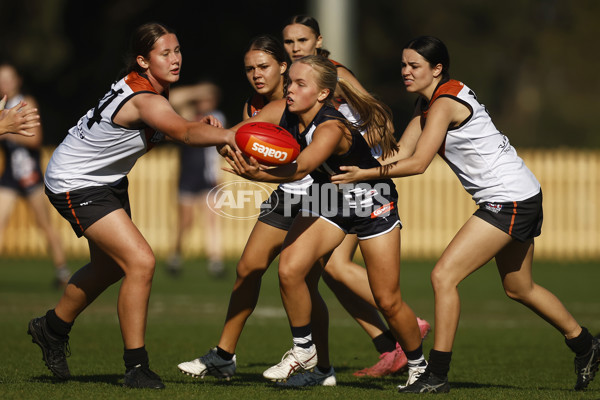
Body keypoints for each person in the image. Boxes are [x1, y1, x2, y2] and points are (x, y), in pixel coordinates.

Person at [331, 36, 600, 393]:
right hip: (518, 194)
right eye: (403, 64)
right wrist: (348, 165)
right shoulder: (426, 104)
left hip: (510, 199)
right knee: (520, 287)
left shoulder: (442, 104)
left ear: (437, 69)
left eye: (414, 66)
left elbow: (418, 164)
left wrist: (362, 174)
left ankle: (437, 374)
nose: (405, 72)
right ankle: (587, 346)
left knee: (443, 276)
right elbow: (399, 154)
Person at [177, 35, 427, 386]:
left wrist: (257, 174)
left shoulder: (331, 127)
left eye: (298, 83)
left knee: (387, 298)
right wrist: (215, 135)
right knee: (290, 270)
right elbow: (238, 136)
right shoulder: (283, 110)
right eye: (290, 82)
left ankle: (419, 366)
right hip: (331, 200)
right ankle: (304, 350)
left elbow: (300, 167)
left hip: (371, 203)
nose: (289, 89)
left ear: (323, 93)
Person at [26, 22, 237, 390]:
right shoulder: (146, 99)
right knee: (141, 261)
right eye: (164, 53)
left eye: (177, 50)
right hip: (75, 182)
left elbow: (169, 130)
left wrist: (195, 127)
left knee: (109, 267)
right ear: (142, 60)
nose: (175, 59)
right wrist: (230, 134)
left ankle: (52, 328)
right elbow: (183, 134)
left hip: (104, 180)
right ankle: (135, 367)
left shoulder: (151, 90)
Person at [282, 15, 429, 377]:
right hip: (332, 190)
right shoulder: (294, 91)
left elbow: (376, 120)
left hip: (366, 191)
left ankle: (414, 354)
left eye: (302, 40)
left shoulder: (333, 78)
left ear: (318, 40)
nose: (295, 47)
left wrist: (367, 161)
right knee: (297, 268)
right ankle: (310, 354)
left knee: (384, 296)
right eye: (288, 42)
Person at [0, 64, 71, 288]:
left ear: (18, 80)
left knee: (45, 224)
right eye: (1, 79)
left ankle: (62, 271)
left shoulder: (26, 103)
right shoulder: (1, 106)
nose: (5, 83)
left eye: (8, 78)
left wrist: (6, 130)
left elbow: (34, 139)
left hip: (30, 173)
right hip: (10, 174)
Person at [166, 80, 226, 277]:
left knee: (211, 221)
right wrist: (196, 90)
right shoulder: (189, 118)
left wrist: (219, 176)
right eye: (201, 99)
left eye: (208, 98)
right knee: (186, 221)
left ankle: (215, 262)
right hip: (188, 175)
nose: (204, 102)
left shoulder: (217, 118)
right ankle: (175, 256)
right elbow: (173, 99)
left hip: (208, 177)